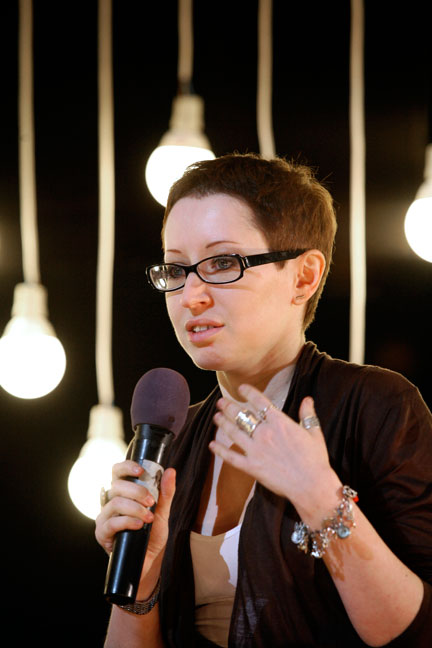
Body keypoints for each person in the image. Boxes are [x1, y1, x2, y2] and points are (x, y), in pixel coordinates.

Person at [95, 152, 432, 647]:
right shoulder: (170, 441)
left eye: (222, 263)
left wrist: (319, 496)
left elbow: (420, 631)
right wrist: (142, 579)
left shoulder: (376, 406)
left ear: (304, 277)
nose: (191, 296)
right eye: (176, 269)